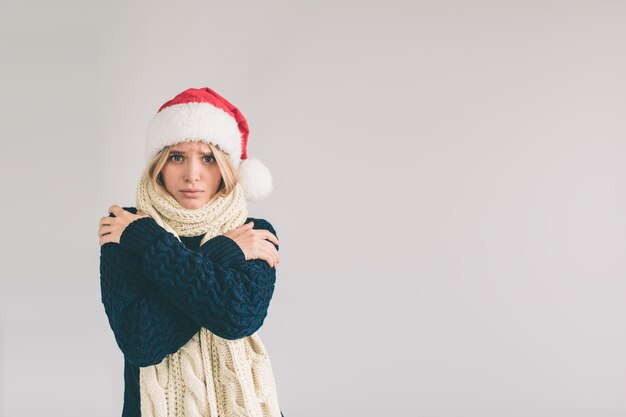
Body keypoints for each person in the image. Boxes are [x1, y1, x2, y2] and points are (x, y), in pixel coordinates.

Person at [97, 87, 286, 417]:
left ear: (228, 166)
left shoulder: (254, 231)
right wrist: (224, 251)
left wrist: (150, 243)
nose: (192, 174)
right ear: (159, 164)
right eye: (177, 157)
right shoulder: (128, 226)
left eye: (208, 158)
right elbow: (141, 340)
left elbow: (236, 318)